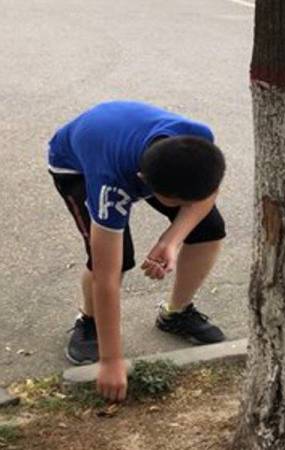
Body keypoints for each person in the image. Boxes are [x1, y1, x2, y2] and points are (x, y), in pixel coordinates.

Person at [48, 100, 227, 402]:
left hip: (128, 143)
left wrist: (172, 239)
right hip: (75, 165)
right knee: (118, 261)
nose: (189, 205)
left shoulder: (198, 139)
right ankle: (88, 320)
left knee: (208, 228)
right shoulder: (111, 186)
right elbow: (106, 275)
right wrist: (111, 360)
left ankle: (175, 313)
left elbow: (208, 192)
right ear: (145, 184)